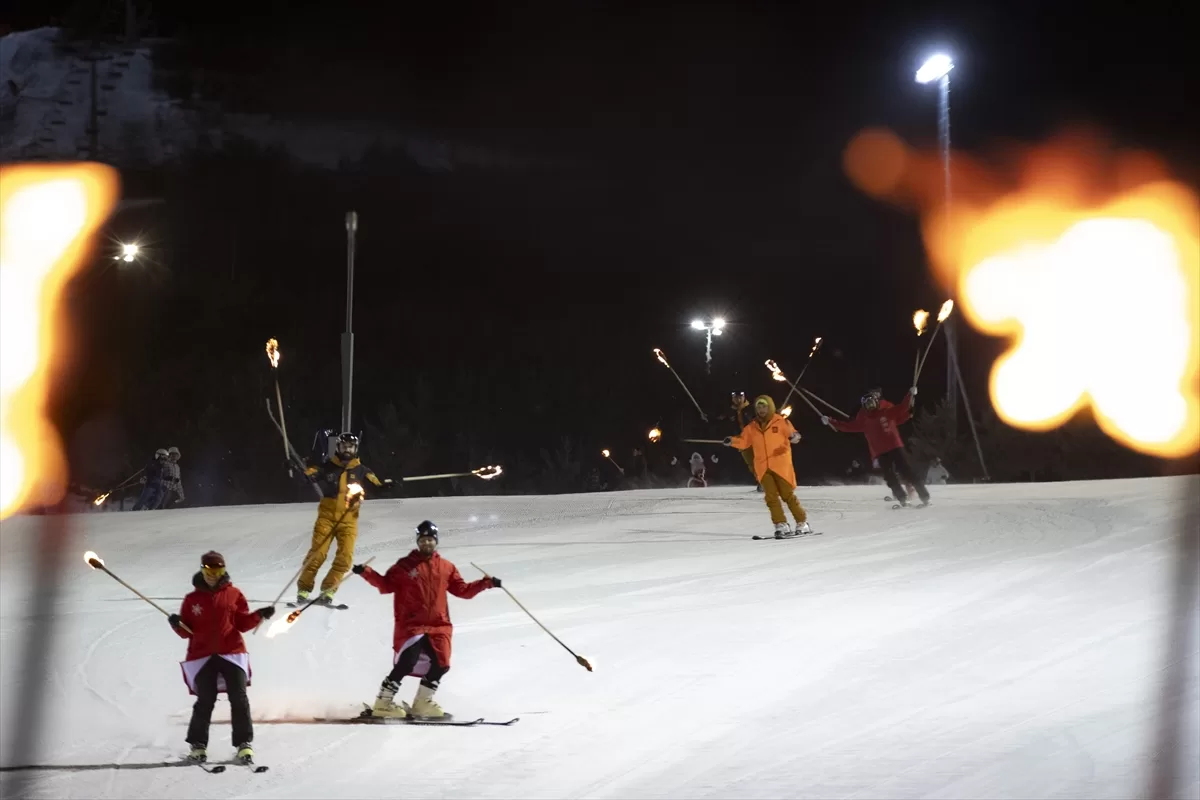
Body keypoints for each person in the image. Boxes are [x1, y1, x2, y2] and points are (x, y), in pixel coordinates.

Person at [356, 520, 499, 719]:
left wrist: (486, 583)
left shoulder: (446, 567)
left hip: (438, 625)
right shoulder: (404, 566)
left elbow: (462, 591)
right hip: (411, 625)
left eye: (430, 540)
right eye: (423, 540)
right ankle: (383, 703)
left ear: (436, 541)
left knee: (442, 664)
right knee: (407, 662)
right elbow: (386, 585)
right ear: (418, 542)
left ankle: (422, 703)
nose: (426, 544)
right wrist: (366, 572)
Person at [169, 551, 275, 764]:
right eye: (209, 570)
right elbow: (186, 632)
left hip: (232, 653)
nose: (213, 575)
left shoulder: (234, 594)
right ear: (202, 570)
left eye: (218, 570)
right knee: (205, 700)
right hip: (202, 655)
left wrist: (259, 615)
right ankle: (198, 745)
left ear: (224, 571)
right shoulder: (192, 599)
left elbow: (243, 624)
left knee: (239, 698)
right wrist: (176, 623)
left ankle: (243, 744)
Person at [297, 432, 396, 605]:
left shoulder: (362, 470)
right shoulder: (328, 466)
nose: (347, 450)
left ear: (356, 449)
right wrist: (306, 474)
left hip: (348, 519)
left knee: (345, 558)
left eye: (350, 447)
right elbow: (312, 472)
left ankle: (328, 590)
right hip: (327, 517)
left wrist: (386, 486)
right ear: (338, 448)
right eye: (344, 446)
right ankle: (304, 589)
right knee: (318, 554)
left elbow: (375, 485)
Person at [823, 387, 931, 507]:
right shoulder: (863, 419)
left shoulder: (886, 411)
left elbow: (902, 408)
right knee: (890, 477)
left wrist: (910, 395)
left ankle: (924, 496)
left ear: (876, 401)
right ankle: (902, 498)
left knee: (906, 471)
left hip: (895, 446)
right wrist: (830, 421)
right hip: (880, 452)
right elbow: (847, 426)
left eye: (871, 402)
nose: (870, 406)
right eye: (867, 404)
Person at [723, 395, 812, 538]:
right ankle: (781, 524)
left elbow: (794, 435)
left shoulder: (781, 422)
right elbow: (744, 442)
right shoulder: (751, 427)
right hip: (763, 467)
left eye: (764, 406)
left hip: (781, 466)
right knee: (771, 498)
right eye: (758, 407)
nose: (761, 409)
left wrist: (795, 437)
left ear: (770, 407)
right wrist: (732, 441)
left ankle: (802, 522)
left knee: (787, 495)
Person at [732, 392, 763, 491]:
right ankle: (761, 481)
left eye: (740, 397)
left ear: (744, 397)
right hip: (742, 441)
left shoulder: (751, 409)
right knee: (751, 463)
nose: (738, 400)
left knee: (760, 460)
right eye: (736, 398)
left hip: (755, 439)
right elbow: (720, 421)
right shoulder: (730, 411)